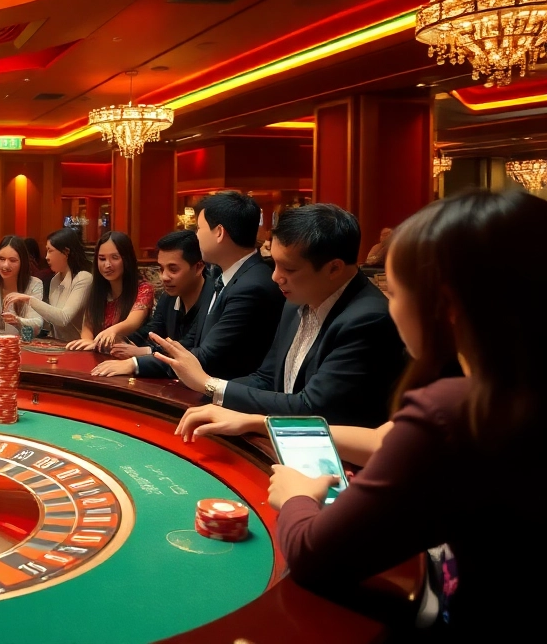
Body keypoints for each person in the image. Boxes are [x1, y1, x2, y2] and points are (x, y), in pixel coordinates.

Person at [173, 190, 541, 633]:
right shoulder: (507, 389)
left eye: (395, 287)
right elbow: (383, 439)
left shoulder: (453, 408)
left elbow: (314, 555)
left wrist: (296, 497)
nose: (388, 301)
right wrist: (260, 422)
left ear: (446, 305)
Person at [149, 204, 405, 427]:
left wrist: (209, 384)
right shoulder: (296, 300)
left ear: (334, 268)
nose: (275, 276)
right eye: (275, 263)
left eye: (289, 268)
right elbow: (268, 378)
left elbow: (311, 408)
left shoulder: (368, 319)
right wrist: (206, 394)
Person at [95, 191, 283, 380]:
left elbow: (205, 356)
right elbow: (192, 342)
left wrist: (134, 363)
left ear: (219, 233)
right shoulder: (223, 276)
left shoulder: (251, 286)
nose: (196, 236)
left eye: (199, 229)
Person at [107, 230, 211, 362]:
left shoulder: (214, 298)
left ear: (198, 267)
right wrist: (122, 341)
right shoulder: (168, 296)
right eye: (161, 269)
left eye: (173, 269)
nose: (164, 277)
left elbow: (189, 346)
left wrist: (144, 352)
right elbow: (153, 330)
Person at [69, 230, 153, 352]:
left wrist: (111, 331)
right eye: (102, 259)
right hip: (98, 354)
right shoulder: (97, 289)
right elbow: (87, 326)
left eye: (115, 258)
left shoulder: (144, 289)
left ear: (127, 259)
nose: (107, 265)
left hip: (131, 359)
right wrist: (87, 342)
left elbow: (132, 322)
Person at [4, 228, 91, 342]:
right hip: (57, 344)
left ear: (66, 252)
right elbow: (51, 318)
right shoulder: (55, 279)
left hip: (77, 346)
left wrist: (29, 299)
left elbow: (63, 318)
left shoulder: (83, 278)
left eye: (50, 251)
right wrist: (19, 320)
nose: (46, 257)